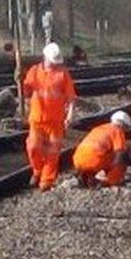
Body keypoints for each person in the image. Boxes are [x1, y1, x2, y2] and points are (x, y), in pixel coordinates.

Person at [24, 43, 77, 191]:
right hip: (37, 118)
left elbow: (71, 96)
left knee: (53, 152)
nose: (55, 64)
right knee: (33, 147)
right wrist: (20, 81)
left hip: (56, 120)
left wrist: (70, 113)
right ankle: (37, 171)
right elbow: (26, 90)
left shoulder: (63, 74)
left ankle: (46, 181)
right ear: (46, 58)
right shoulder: (34, 72)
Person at [73, 111, 131, 187]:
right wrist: (109, 170)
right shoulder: (117, 130)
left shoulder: (99, 128)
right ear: (122, 124)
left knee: (103, 153)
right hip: (94, 161)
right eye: (126, 128)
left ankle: (89, 178)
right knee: (120, 159)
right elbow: (121, 153)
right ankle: (109, 181)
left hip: (77, 160)